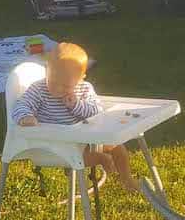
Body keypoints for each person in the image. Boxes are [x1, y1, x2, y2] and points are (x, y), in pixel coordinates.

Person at [12, 42, 137, 192]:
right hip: (54, 143)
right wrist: (26, 117)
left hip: (82, 137)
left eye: (65, 86)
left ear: (80, 78)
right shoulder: (39, 89)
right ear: (47, 70)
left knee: (117, 146)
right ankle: (101, 159)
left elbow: (97, 111)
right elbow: (20, 105)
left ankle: (126, 178)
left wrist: (77, 105)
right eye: (53, 82)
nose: (58, 89)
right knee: (81, 156)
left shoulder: (84, 89)